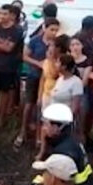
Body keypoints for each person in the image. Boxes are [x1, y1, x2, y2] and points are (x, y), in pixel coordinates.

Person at [16, 18, 59, 148]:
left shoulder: (56, 44)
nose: (54, 32)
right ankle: (22, 132)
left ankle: (39, 137)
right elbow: (25, 56)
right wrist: (38, 64)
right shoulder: (35, 41)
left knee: (42, 108)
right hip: (34, 75)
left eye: (56, 30)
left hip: (48, 80)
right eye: (52, 29)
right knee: (29, 104)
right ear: (44, 27)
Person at [50, 54, 84, 131]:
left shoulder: (76, 82)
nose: (56, 64)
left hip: (64, 122)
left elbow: (75, 108)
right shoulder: (60, 79)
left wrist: (62, 126)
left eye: (58, 62)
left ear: (64, 66)